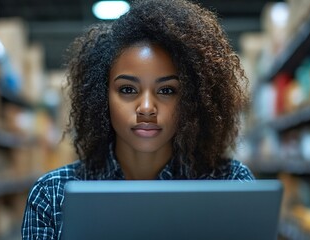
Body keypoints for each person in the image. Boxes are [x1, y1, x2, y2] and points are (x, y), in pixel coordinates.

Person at [22, 0, 254, 239]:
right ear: (102, 96)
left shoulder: (232, 184)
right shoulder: (52, 195)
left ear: (192, 100)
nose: (146, 108)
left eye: (167, 90)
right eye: (127, 89)